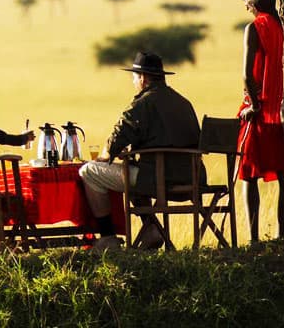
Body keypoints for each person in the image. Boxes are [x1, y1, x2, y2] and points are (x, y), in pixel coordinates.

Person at [79, 51, 202, 251]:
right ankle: (151, 228)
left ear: (143, 78)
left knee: (89, 172)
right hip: (192, 177)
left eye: (134, 77)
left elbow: (117, 137)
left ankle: (108, 237)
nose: (134, 82)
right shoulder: (183, 102)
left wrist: (103, 157)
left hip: (160, 179)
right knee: (133, 167)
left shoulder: (144, 102)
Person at [237, 0, 284, 242]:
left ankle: (254, 238)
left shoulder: (254, 28)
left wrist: (254, 106)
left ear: (256, 6)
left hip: (261, 112)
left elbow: (247, 74)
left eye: (247, 3)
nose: (246, 7)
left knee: (248, 174)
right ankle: (282, 235)